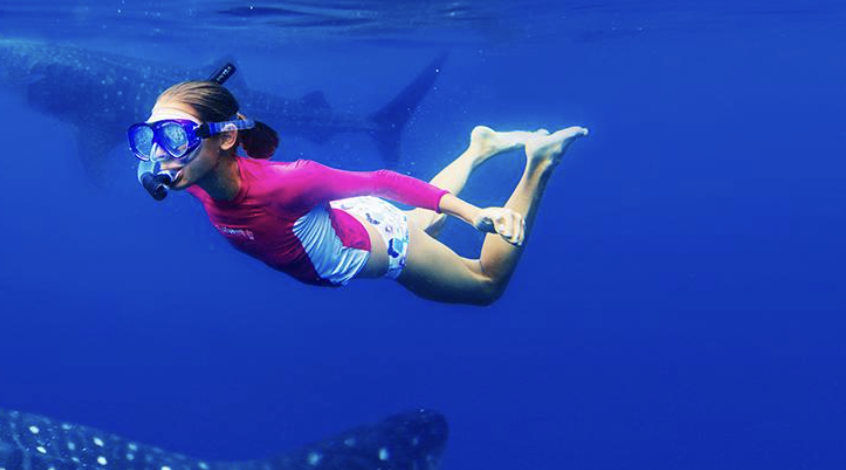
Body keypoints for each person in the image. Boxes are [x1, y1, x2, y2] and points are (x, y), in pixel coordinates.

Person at [134, 78, 584, 305]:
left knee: (484, 284)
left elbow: (385, 182)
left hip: (385, 244)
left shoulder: (288, 182)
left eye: (173, 138)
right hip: (351, 221)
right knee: (419, 223)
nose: (160, 156)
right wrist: (169, 140)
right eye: (149, 139)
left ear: (226, 138)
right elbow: (153, 166)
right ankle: (479, 149)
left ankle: (540, 161)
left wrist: (475, 215)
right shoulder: (190, 175)